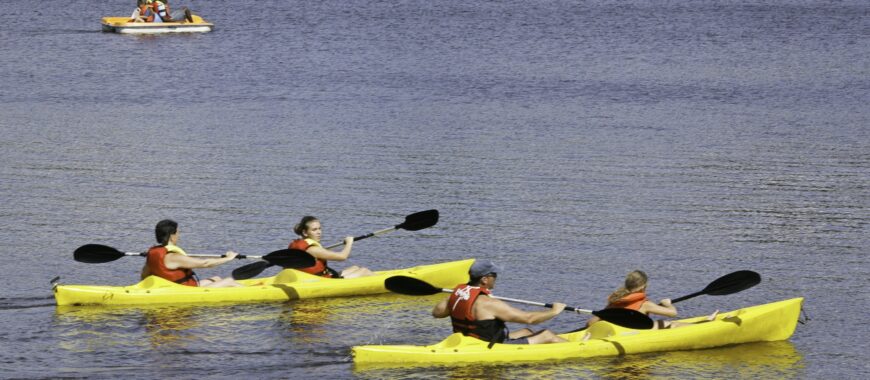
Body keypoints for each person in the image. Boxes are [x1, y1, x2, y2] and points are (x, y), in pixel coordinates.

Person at [432, 260, 567, 345]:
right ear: (485, 279)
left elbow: (437, 313)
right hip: (488, 346)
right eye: (494, 276)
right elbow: (529, 318)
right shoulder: (488, 303)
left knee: (526, 331)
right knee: (546, 335)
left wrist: (455, 298)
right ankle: (580, 348)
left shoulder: (455, 295)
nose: (496, 278)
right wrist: (554, 311)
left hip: (467, 341)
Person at [586, 270, 718, 329]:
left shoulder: (615, 300)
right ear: (644, 286)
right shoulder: (646, 304)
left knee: (659, 323)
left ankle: (704, 322)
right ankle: (706, 325)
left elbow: (592, 321)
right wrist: (668, 304)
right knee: (670, 324)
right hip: (634, 334)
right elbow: (673, 313)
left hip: (619, 331)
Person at [140, 219, 243, 287]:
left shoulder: (153, 254)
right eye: (178, 232)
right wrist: (228, 258)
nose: (178, 235)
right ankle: (255, 293)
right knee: (229, 281)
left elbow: (144, 274)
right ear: (172, 235)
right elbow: (205, 263)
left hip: (173, 288)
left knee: (216, 278)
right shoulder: (173, 257)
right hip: (183, 291)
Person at [288, 216, 374, 279]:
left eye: (319, 229)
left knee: (355, 268)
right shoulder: (312, 249)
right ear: (305, 233)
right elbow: (342, 257)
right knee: (364, 271)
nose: (319, 232)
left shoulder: (299, 244)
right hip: (320, 282)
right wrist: (349, 243)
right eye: (314, 230)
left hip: (316, 278)